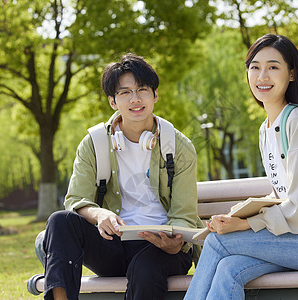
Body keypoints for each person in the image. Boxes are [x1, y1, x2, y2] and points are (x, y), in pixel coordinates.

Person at [184, 34, 298, 300]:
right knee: (229, 268)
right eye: (255, 67)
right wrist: (240, 215)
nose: (263, 76)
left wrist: (245, 225)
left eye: (273, 67)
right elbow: (284, 193)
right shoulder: (266, 128)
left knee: (217, 242)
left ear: (292, 74)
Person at [36, 53, 201, 300]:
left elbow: (184, 216)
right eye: (124, 93)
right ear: (113, 101)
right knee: (61, 220)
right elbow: (76, 200)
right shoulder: (94, 143)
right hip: (114, 246)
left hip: (164, 250)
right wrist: (99, 214)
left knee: (144, 267)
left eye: (142, 90)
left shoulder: (178, 146)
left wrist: (175, 242)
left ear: (155, 95)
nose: (135, 99)